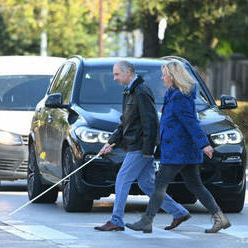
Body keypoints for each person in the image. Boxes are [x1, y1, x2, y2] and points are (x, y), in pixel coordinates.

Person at [125, 60, 231, 233]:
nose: (162, 78)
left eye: (164, 75)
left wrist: (204, 144)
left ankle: (147, 221)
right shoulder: (174, 94)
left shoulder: (180, 97)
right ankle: (220, 218)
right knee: (195, 185)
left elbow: (191, 122)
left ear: (173, 77)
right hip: (181, 149)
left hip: (178, 150)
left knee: (159, 185)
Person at [94, 60, 190, 232]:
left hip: (140, 146)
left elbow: (151, 121)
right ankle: (179, 212)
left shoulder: (141, 90)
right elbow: (125, 123)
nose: (114, 78)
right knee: (147, 184)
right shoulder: (129, 91)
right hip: (135, 145)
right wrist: (110, 143)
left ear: (128, 72)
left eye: (117, 74)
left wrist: (148, 150)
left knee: (123, 178)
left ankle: (116, 220)